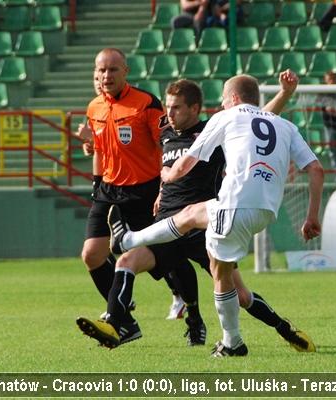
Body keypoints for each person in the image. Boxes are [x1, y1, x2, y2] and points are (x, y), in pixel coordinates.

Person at [78, 73, 317, 354]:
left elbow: (257, 120)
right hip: (168, 225)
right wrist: (158, 191)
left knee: (239, 294)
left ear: (194, 108)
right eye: (168, 106)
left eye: (177, 106)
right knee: (126, 263)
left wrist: (284, 95)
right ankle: (118, 325)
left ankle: (284, 328)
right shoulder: (165, 133)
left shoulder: (214, 128)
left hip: (209, 226)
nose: (170, 112)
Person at [77, 48, 168, 343]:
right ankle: (124, 320)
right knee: (92, 254)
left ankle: (190, 309)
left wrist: (166, 186)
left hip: (144, 189)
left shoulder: (146, 104)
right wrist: (95, 173)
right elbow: (100, 148)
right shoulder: (94, 107)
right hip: (107, 189)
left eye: (113, 70)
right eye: (102, 71)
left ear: (126, 71)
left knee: (166, 260)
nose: (106, 76)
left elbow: (167, 146)